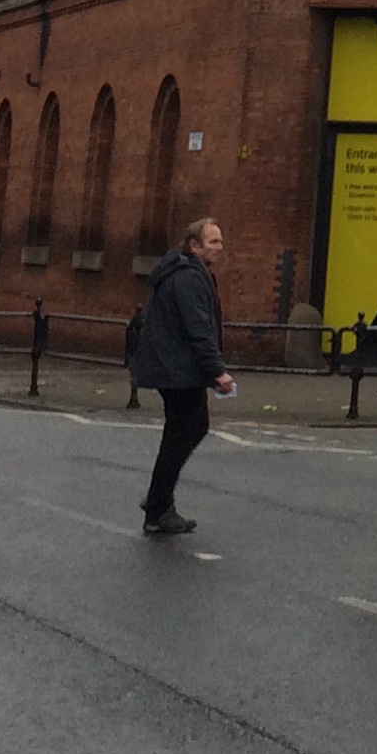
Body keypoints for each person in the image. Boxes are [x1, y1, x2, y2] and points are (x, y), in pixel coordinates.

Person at [130, 217, 237, 537]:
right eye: (213, 241)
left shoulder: (189, 272)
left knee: (187, 430)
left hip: (176, 368)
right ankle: (157, 507)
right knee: (184, 432)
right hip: (177, 370)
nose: (219, 247)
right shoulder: (188, 277)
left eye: (220, 241)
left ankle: (159, 502)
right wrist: (217, 371)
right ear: (194, 246)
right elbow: (198, 328)